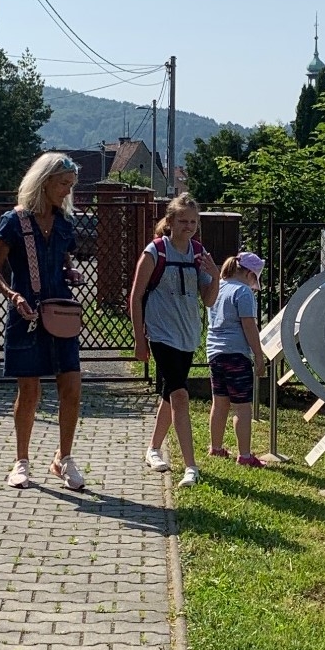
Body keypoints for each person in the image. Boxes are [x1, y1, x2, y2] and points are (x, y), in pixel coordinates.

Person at [0, 152, 86, 491]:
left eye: (71, 185)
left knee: (72, 387)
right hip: (25, 315)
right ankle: (21, 462)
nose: (67, 191)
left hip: (60, 314)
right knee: (29, 391)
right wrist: (12, 294)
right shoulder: (13, 221)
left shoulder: (64, 223)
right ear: (44, 182)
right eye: (63, 184)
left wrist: (71, 271)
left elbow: (64, 259)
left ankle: (64, 459)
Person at [130, 193, 220, 487]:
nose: (188, 227)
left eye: (193, 222)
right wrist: (139, 339)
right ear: (170, 221)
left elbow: (208, 300)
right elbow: (136, 296)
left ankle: (153, 448)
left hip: (188, 335)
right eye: (183, 221)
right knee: (181, 395)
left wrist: (215, 277)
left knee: (171, 394)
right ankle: (191, 467)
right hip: (161, 334)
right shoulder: (155, 252)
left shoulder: (198, 253)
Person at [206, 252, 267, 467]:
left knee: (219, 403)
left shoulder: (218, 286)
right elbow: (249, 326)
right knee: (242, 407)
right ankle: (245, 455)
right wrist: (258, 355)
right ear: (250, 274)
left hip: (215, 353)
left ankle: (216, 448)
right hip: (237, 355)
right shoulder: (243, 292)